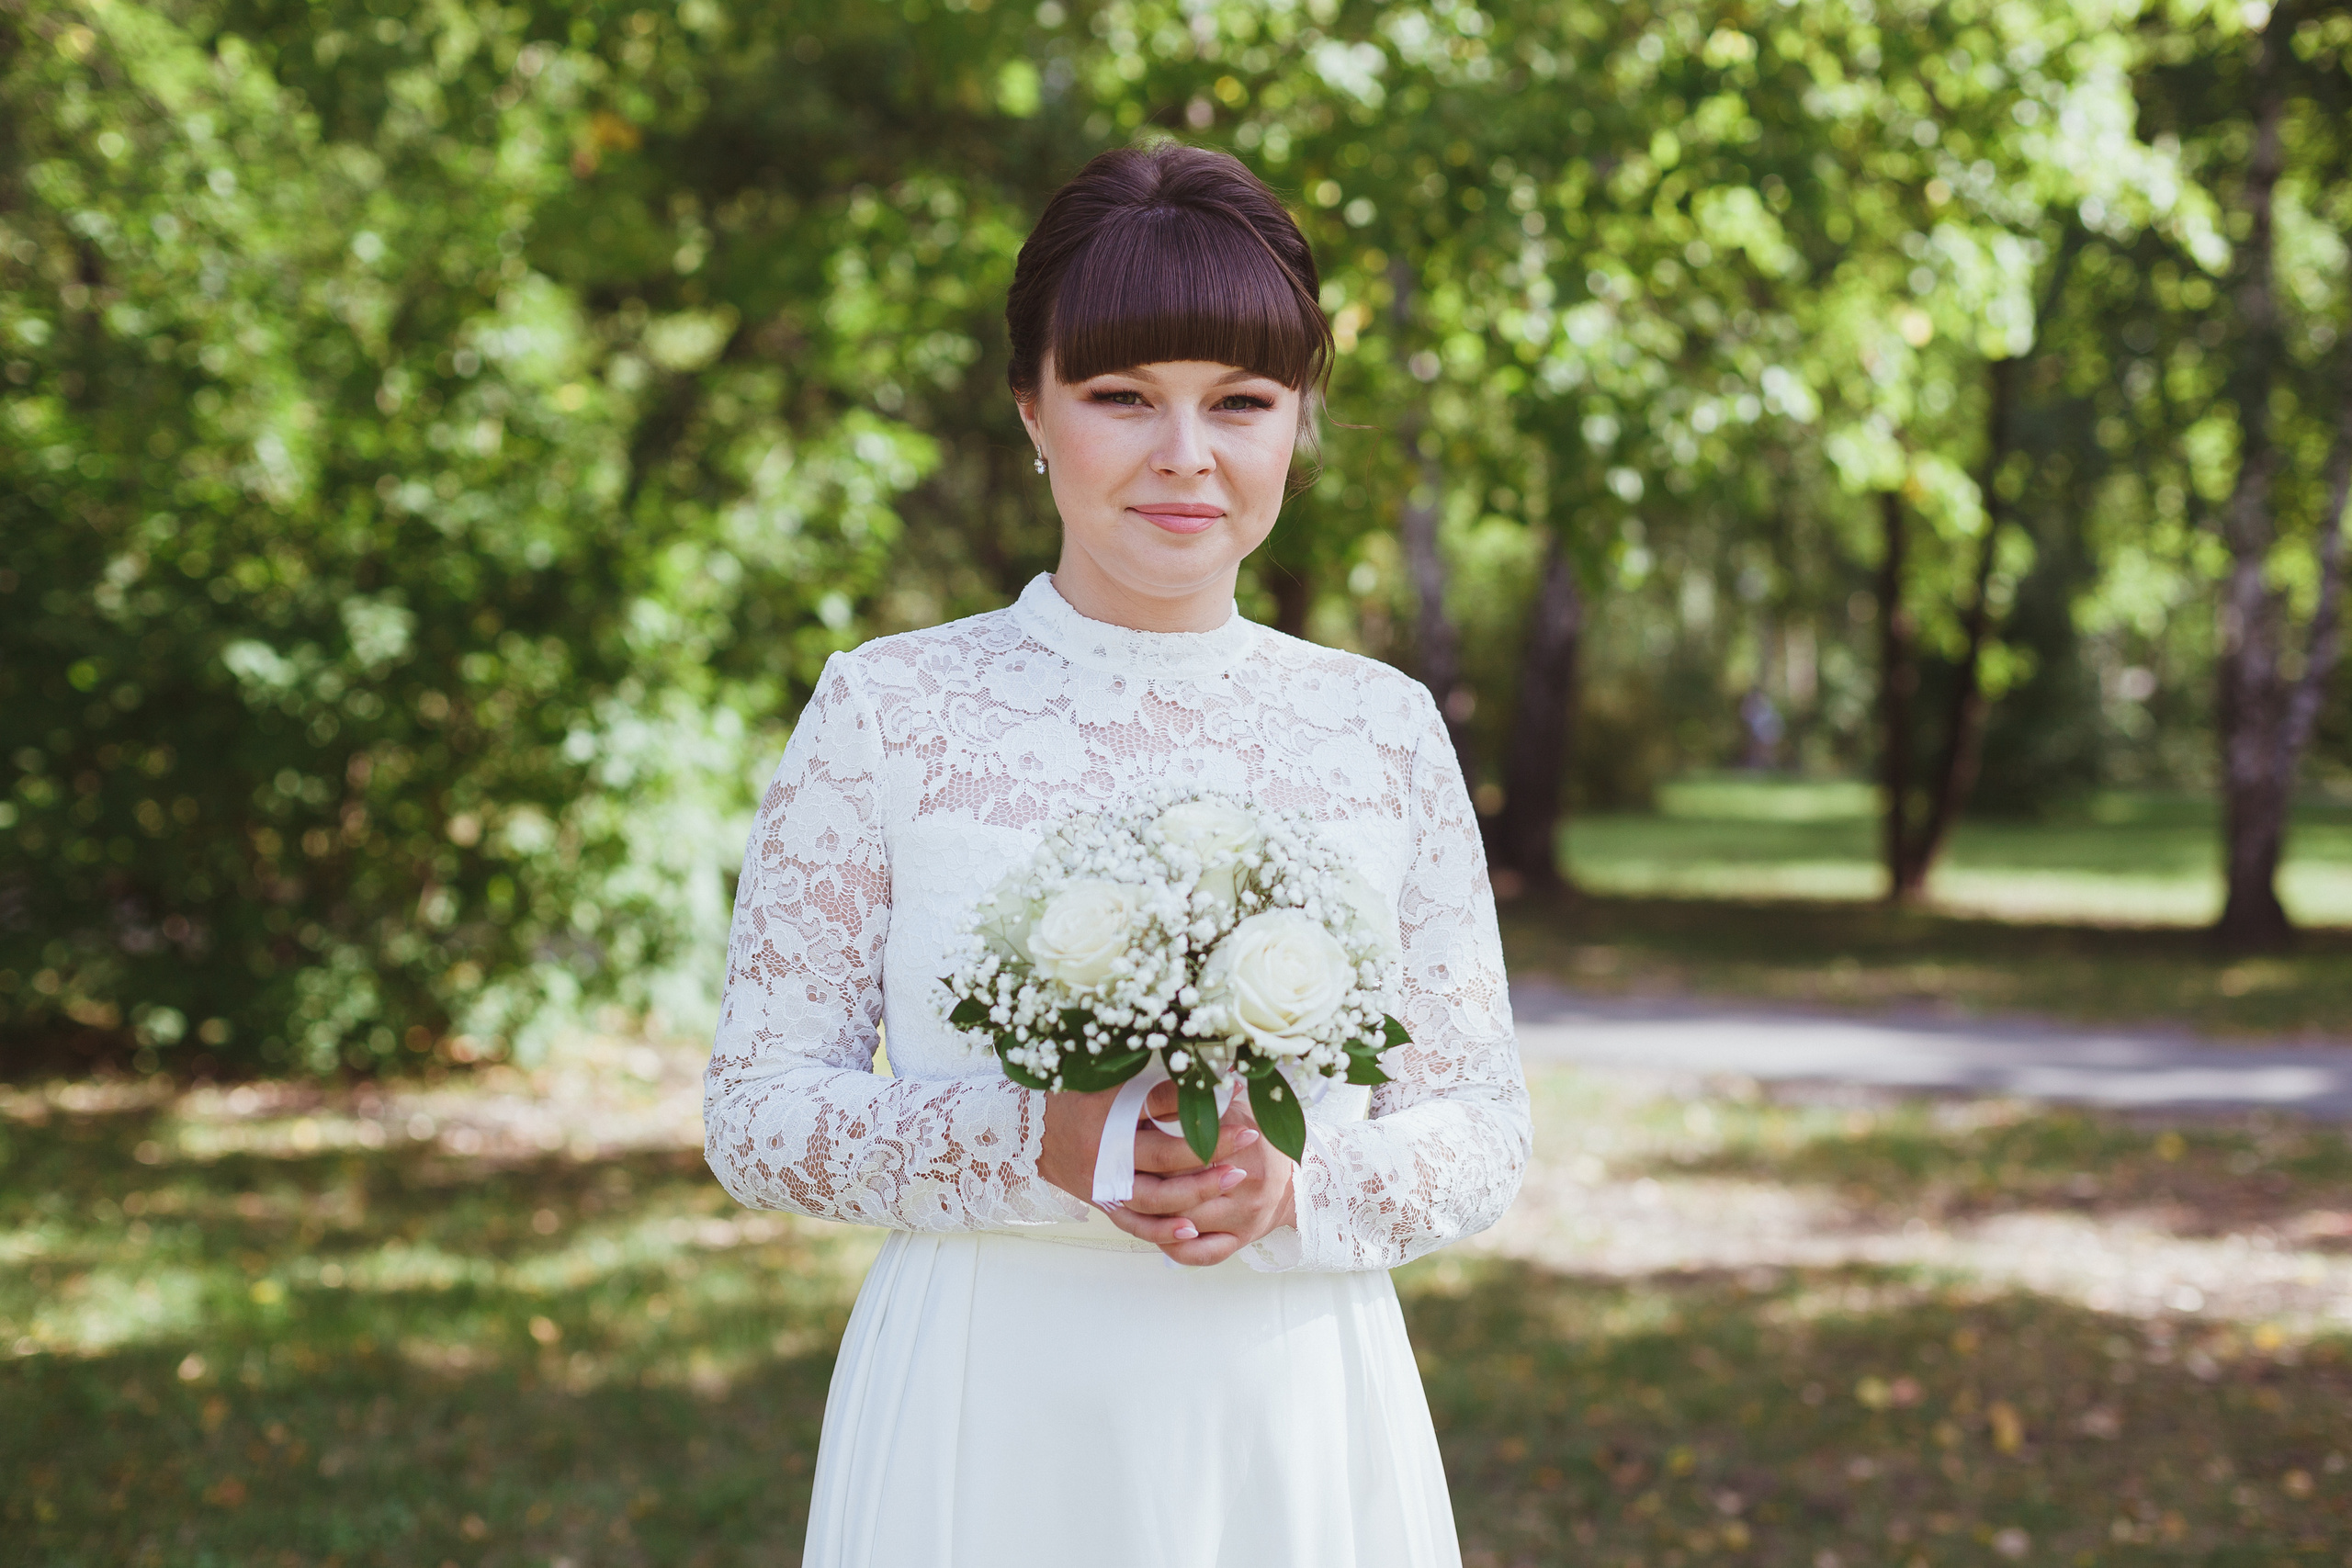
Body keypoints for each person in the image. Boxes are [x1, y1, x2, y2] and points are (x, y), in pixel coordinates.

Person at [703, 142, 1530, 1568]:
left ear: (1298, 420)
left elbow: (1481, 1129)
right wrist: (1038, 1137)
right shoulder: (890, 711)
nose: (1186, 456)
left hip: (1291, 1397)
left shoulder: (1379, 730)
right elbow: (758, 1113)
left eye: (1242, 403)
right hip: (986, 1397)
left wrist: (1297, 1187)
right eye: (1123, 397)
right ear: (1032, 406)